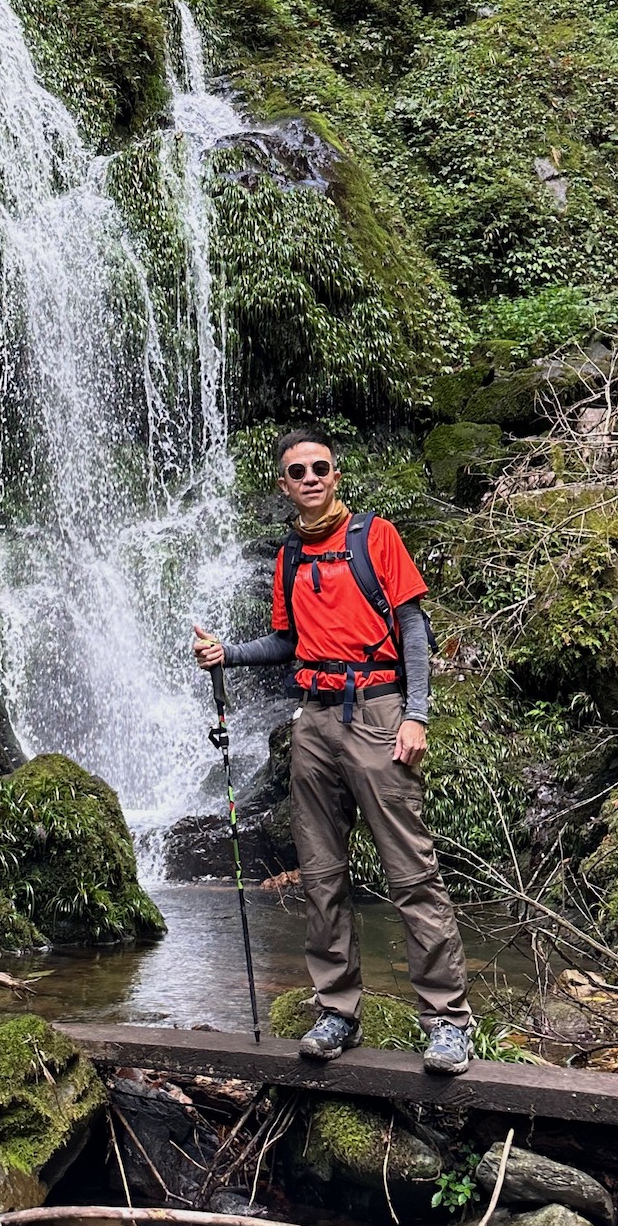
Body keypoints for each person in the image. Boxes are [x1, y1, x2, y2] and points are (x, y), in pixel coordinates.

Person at [192, 426, 474, 1076]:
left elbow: (412, 627)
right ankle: (337, 1011)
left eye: (321, 467)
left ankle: (447, 1023)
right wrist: (227, 655)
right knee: (321, 877)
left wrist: (417, 716)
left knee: (411, 873)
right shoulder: (290, 558)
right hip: (313, 722)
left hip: (378, 713)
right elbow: (285, 642)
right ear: (285, 484)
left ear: (336, 476)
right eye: (299, 470)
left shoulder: (377, 538)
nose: (312, 477)